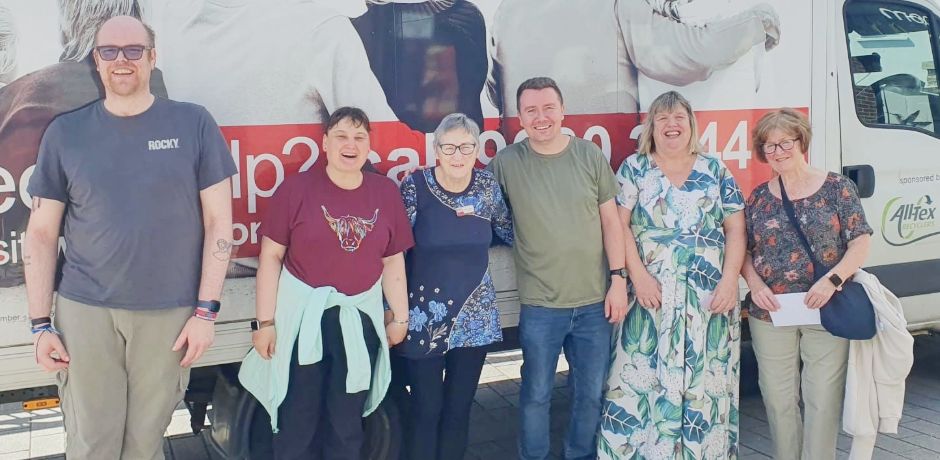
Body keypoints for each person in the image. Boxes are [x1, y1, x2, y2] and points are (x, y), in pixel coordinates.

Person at [24, 15, 235, 460]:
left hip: (170, 317)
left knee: (144, 446)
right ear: (96, 62)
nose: (122, 60)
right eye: (110, 51)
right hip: (86, 314)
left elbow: (220, 224)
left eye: (134, 50)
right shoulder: (66, 133)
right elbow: (41, 234)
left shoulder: (193, 124)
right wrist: (41, 324)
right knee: (92, 445)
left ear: (152, 58)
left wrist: (206, 312)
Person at [242, 107, 413, 460]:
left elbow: (392, 260)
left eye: (359, 137)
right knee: (297, 422)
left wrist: (400, 318)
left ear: (369, 146)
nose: (350, 145)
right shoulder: (297, 189)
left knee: (347, 423)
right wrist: (265, 323)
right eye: (341, 136)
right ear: (325, 143)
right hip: (304, 321)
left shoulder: (385, 193)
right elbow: (270, 258)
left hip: (358, 322)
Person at [598, 90, 746, 459]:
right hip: (651, 295)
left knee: (705, 382)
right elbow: (620, 226)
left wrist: (730, 282)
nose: (671, 125)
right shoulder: (634, 169)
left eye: (678, 117)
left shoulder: (715, 170)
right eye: (662, 118)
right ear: (651, 126)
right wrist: (640, 277)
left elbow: (736, 230)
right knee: (639, 376)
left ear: (691, 123)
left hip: (707, 297)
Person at [487, 77, 628, 460]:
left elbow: (612, 223)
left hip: (595, 303)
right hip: (540, 305)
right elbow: (480, 213)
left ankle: (579, 454)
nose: (541, 117)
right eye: (531, 110)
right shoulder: (506, 164)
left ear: (563, 110)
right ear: (520, 117)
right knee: (535, 394)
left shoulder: (589, 156)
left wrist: (619, 280)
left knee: (590, 392)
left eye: (548, 108)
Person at [0, 0, 168, 288]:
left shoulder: (14, 100)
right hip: (125, 285)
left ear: (65, 26)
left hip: (33, 283)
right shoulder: (150, 93)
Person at [742, 108, 872, 460]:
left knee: (822, 400)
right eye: (769, 146)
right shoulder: (757, 198)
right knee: (778, 398)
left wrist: (832, 281)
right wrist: (755, 285)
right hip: (771, 313)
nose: (778, 152)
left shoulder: (836, 188)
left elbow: (860, 241)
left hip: (826, 308)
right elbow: (744, 252)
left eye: (785, 142)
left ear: (802, 141)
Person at [396, 113, 513, 460]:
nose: (458, 154)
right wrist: (393, 309)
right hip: (424, 319)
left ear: (477, 148)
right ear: (436, 150)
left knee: (458, 410)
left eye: (466, 146)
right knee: (426, 409)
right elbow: (395, 251)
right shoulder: (415, 187)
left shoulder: (486, 187)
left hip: (474, 319)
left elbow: (507, 230)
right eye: (449, 147)